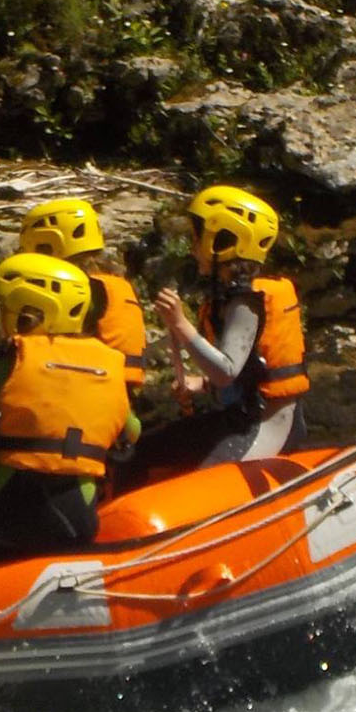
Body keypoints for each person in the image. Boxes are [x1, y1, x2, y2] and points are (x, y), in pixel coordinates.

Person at [0, 254, 140, 558]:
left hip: (8, 522)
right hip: (78, 523)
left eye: (4, 307)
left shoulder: (0, 366)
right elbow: (132, 431)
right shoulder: (108, 365)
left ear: (31, 310)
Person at [119, 186, 308, 490]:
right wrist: (200, 383)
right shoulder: (229, 296)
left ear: (226, 241)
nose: (193, 248)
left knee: (199, 487)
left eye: (198, 238)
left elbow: (226, 371)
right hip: (239, 417)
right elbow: (243, 370)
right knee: (140, 454)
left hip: (265, 424)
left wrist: (182, 325)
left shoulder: (247, 301)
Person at [0, 198, 149, 390]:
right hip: (114, 392)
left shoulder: (76, 290)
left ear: (51, 243)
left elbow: (11, 340)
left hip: (82, 387)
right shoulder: (116, 283)